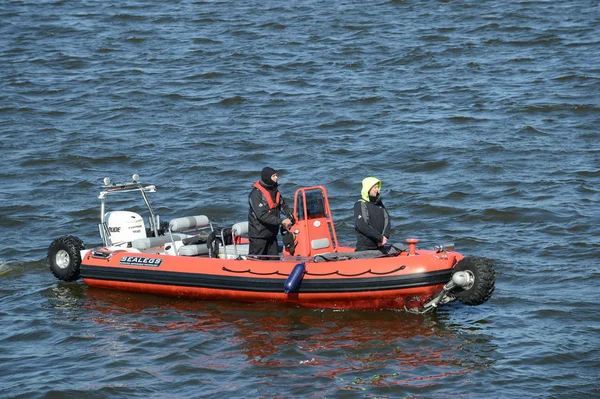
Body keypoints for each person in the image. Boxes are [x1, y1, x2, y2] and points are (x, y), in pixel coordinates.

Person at [248, 167, 293, 259]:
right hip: (259, 235)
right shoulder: (256, 195)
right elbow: (262, 216)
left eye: (276, 175)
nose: (276, 178)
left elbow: (283, 206)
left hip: (271, 234)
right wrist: (282, 221)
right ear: (267, 178)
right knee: (257, 261)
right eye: (274, 176)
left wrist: (292, 216)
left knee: (274, 259)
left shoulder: (275, 191)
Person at [354, 177, 391, 252]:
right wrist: (379, 238)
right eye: (375, 187)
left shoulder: (379, 204)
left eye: (378, 187)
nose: (377, 190)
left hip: (380, 246)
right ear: (368, 189)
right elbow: (362, 225)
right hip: (365, 248)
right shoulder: (360, 204)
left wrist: (385, 237)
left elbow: (387, 219)